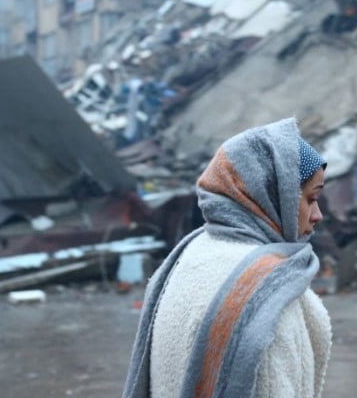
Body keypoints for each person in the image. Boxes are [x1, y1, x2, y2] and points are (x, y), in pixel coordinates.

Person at [122, 118, 331, 398]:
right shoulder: (267, 293)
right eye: (310, 199)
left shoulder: (190, 253)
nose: (317, 215)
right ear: (276, 196)